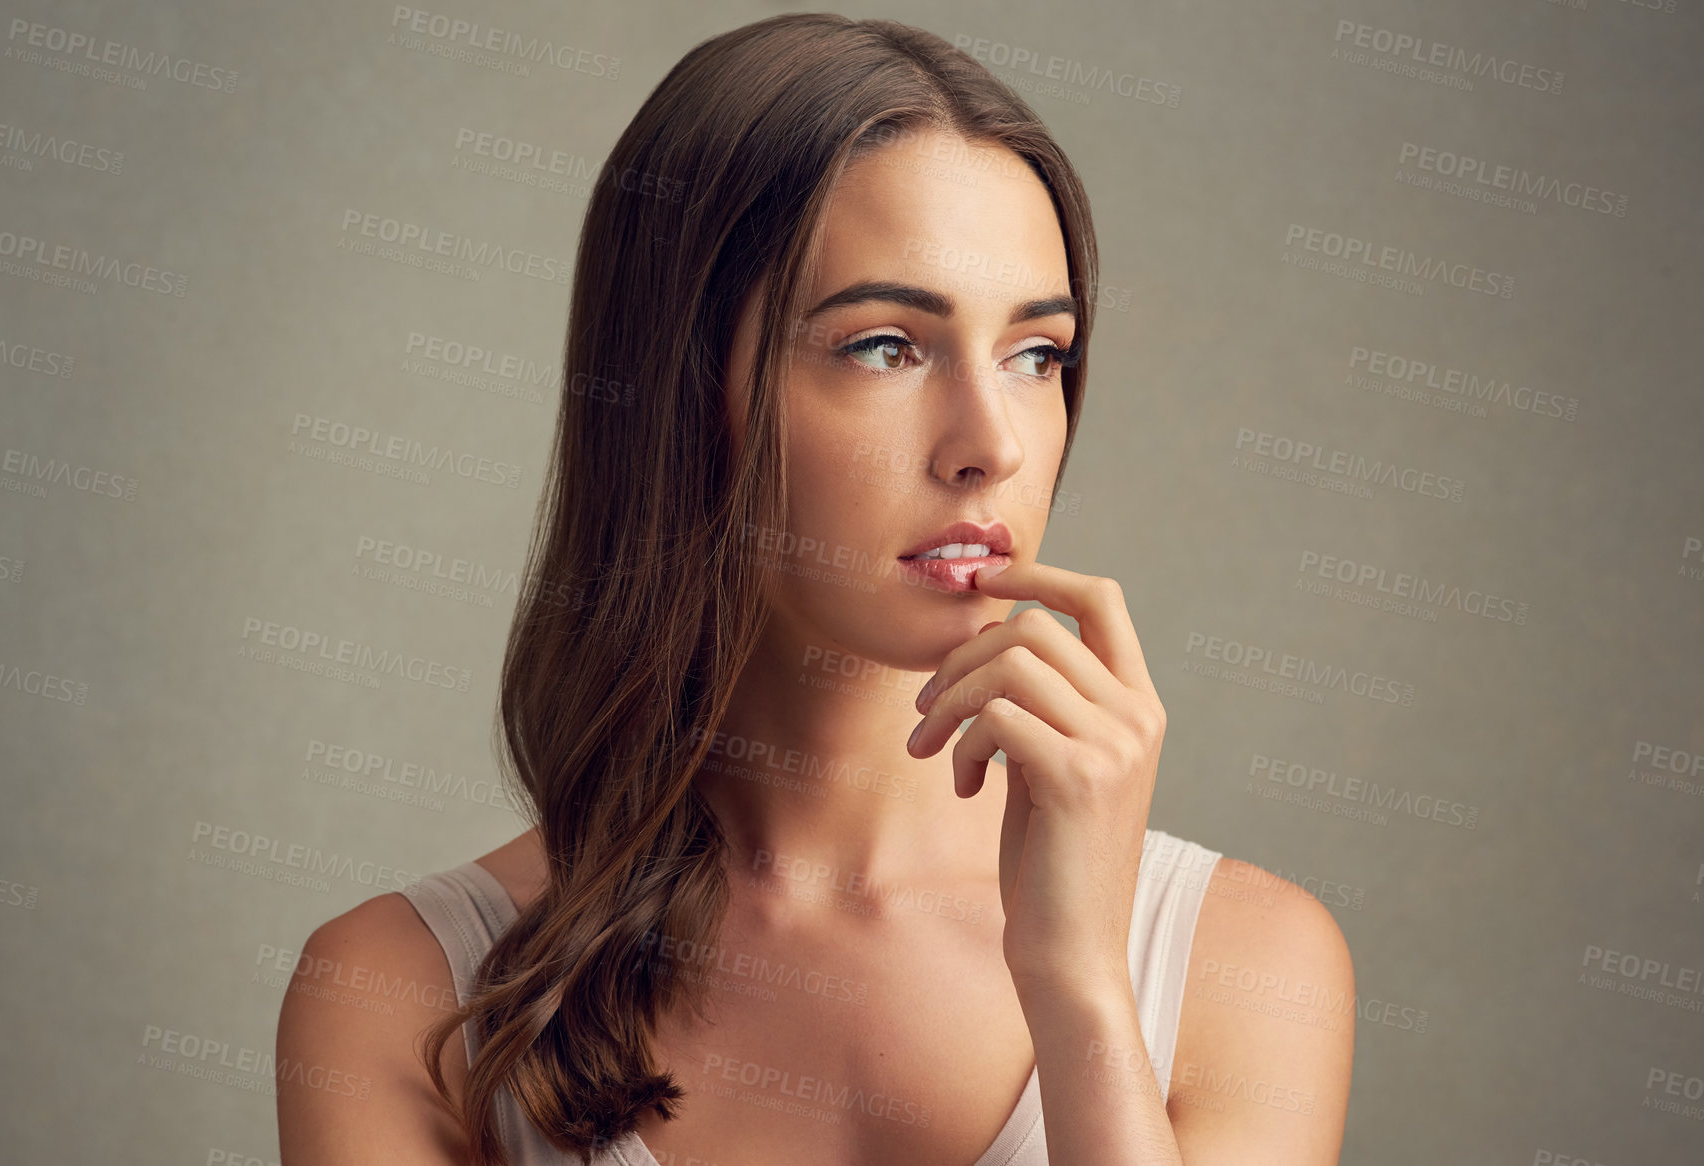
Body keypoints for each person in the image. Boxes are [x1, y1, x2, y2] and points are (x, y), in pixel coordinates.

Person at [276, 13, 1354, 1165]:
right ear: (680, 390)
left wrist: (1082, 985)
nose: (988, 444)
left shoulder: (1244, 964)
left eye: (1035, 354)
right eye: (885, 344)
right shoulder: (405, 995)